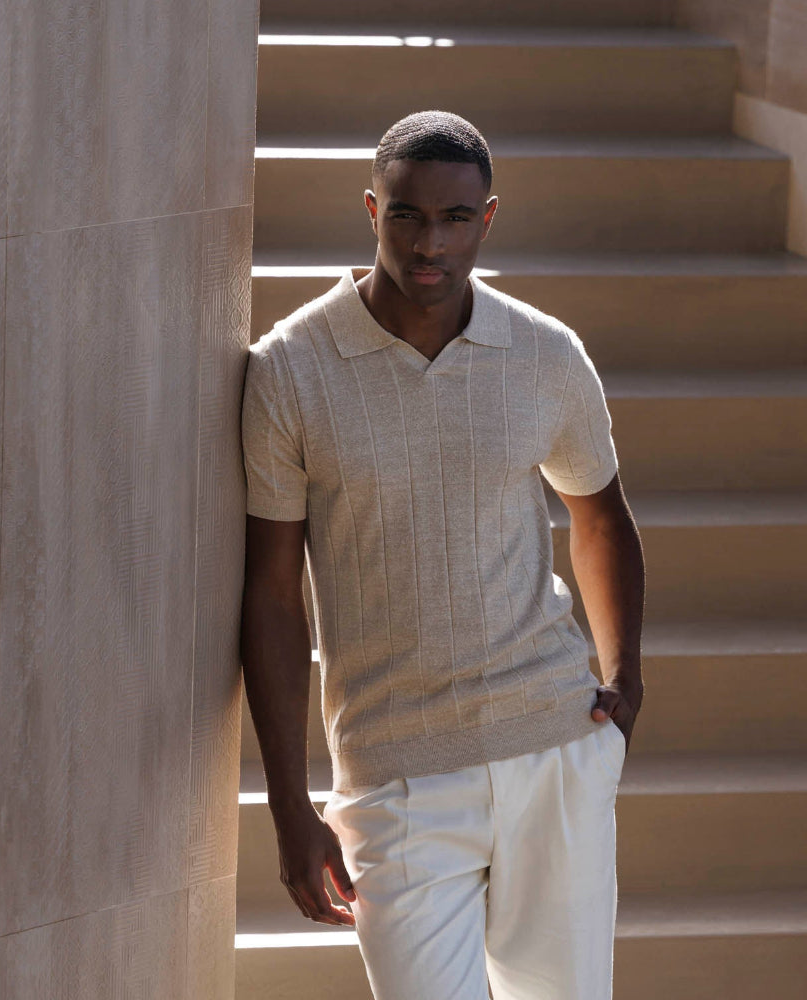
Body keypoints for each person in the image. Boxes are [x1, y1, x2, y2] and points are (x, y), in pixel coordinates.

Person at [239, 110, 646, 1000]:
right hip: (397, 774)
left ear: (488, 219)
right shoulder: (291, 369)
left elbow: (600, 514)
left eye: (455, 219)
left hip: (553, 748)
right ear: (371, 210)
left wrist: (625, 678)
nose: (430, 243)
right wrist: (288, 806)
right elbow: (271, 597)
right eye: (407, 216)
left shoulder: (543, 353)